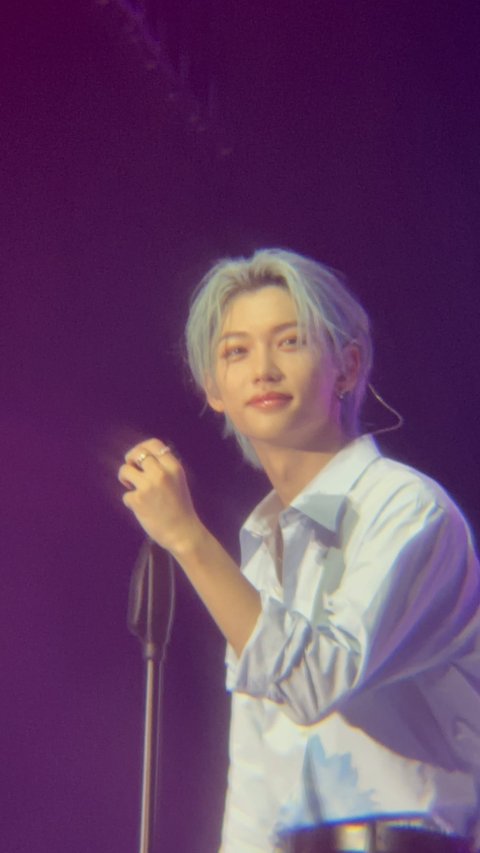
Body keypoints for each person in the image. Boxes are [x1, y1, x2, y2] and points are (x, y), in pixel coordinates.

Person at [118, 249, 480, 853]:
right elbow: (258, 774)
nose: (263, 369)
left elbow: (315, 678)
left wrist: (187, 538)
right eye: (236, 351)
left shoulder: (406, 508)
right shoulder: (265, 546)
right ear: (214, 388)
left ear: (347, 366)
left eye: (289, 342)